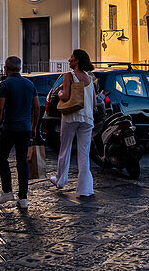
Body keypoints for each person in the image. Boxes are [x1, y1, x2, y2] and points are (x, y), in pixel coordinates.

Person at [0, 55, 40, 209]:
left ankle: (7, 191)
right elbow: (37, 107)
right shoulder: (29, 84)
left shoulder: (5, 85)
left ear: (6, 68)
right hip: (25, 128)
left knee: (2, 158)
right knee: (22, 162)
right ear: (20, 68)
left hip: (9, 128)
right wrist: (34, 126)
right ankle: (23, 198)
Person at [49, 49, 95, 197]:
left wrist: (60, 94)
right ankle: (84, 188)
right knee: (84, 153)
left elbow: (66, 95)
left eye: (71, 58)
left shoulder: (69, 76)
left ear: (77, 61)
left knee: (65, 147)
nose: (69, 60)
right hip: (87, 118)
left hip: (71, 117)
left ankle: (60, 179)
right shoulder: (89, 78)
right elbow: (94, 103)